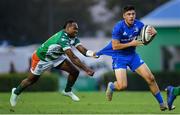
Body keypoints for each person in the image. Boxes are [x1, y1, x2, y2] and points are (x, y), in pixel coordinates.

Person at [10, 20, 97, 107]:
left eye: (77, 29)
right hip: (42, 58)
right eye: (75, 29)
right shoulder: (62, 38)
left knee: (75, 72)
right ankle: (15, 92)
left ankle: (67, 91)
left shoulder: (73, 37)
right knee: (31, 80)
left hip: (56, 57)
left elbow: (83, 50)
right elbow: (73, 58)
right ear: (68, 28)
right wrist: (87, 69)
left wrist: (93, 54)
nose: (76, 31)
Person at [96, 5, 167, 111]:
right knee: (122, 86)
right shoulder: (118, 27)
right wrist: (131, 43)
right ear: (124, 16)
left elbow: (144, 42)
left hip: (132, 56)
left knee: (151, 78)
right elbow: (115, 46)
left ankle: (162, 104)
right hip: (119, 57)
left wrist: (153, 35)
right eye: (129, 14)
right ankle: (112, 86)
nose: (131, 16)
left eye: (133, 14)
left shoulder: (139, 25)